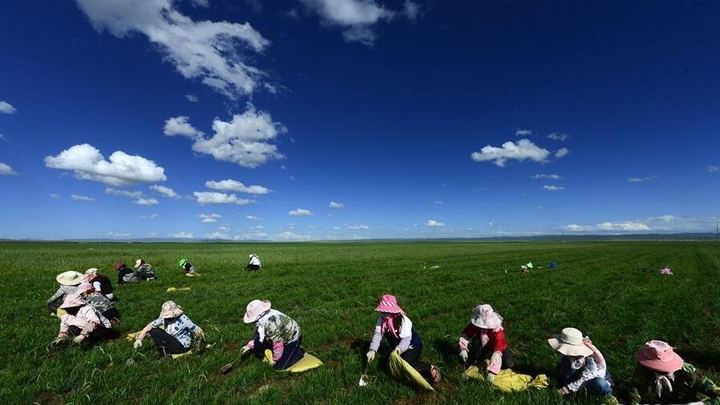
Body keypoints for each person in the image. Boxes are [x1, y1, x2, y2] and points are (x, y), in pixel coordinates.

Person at [366, 294, 441, 384]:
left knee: (407, 362)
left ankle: (430, 368)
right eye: (382, 311)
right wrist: (372, 350)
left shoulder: (404, 321)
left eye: (386, 311)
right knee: (384, 363)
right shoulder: (381, 320)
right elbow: (378, 335)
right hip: (394, 346)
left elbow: (406, 340)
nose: (383, 313)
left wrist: (399, 348)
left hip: (412, 345)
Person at [628, 340, 720, 405]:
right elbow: (636, 387)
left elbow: (718, 395)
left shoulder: (689, 373)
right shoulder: (645, 369)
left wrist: (700, 404)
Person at [548, 327, 618, 404]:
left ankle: (608, 397)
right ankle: (573, 392)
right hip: (576, 379)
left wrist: (565, 389)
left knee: (600, 383)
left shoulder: (592, 360)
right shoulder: (569, 357)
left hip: (591, 381)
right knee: (566, 364)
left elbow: (585, 379)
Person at [458, 304, 515, 384]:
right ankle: (472, 360)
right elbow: (466, 333)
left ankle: (490, 361)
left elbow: (497, 350)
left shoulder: (498, 332)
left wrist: (492, 371)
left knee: (509, 363)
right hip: (482, 344)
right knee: (476, 342)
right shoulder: (475, 326)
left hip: (498, 348)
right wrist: (463, 348)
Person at [241, 299, 305, 370]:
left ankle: (299, 352)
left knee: (280, 366)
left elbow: (278, 345)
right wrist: (249, 346)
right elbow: (258, 334)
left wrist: (275, 360)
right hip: (279, 336)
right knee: (258, 342)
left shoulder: (271, 324)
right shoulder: (263, 319)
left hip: (292, 339)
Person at [133, 301, 204, 358]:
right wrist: (139, 339)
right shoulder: (164, 319)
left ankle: (165, 353)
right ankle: (163, 352)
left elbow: (196, 329)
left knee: (157, 331)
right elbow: (150, 325)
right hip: (172, 342)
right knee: (154, 330)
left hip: (181, 346)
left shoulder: (183, 319)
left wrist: (199, 343)